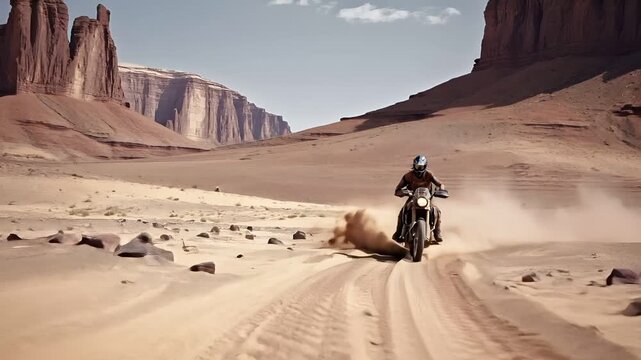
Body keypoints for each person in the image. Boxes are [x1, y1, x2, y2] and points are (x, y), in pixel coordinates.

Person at [392, 155, 445, 242]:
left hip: (426, 199)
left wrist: (441, 190)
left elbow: (440, 184)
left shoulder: (429, 174)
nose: (419, 169)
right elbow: (398, 189)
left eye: (421, 167)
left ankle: (437, 232)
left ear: (425, 166)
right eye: (417, 166)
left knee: (437, 211)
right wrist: (402, 192)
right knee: (403, 211)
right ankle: (398, 232)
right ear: (414, 165)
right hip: (413, 197)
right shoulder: (408, 176)